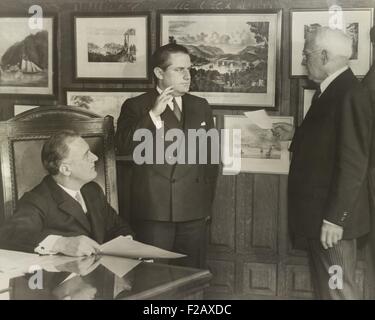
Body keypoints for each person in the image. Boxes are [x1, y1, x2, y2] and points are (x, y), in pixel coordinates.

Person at [115, 43, 218, 268]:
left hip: (193, 211)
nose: (187, 76)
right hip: (154, 213)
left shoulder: (200, 106)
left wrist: (205, 206)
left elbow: (211, 161)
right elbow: (122, 148)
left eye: (189, 69)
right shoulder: (137, 106)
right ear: (159, 73)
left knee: (192, 277)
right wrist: (153, 115)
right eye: (179, 70)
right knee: (154, 279)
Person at [288, 27, 372, 299]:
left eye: (306, 54)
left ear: (323, 55)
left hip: (332, 224)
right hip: (321, 219)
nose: (304, 60)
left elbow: (353, 164)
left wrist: (335, 219)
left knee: (338, 292)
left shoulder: (348, 94)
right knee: (329, 291)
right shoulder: (331, 91)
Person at [0, 130, 134, 257]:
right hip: (61, 278)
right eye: (86, 155)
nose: (95, 157)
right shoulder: (36, 199)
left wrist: (126, 242)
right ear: (65, 169)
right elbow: (12, 235)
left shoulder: (93, 190)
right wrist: (61, 244)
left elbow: (119, 227)